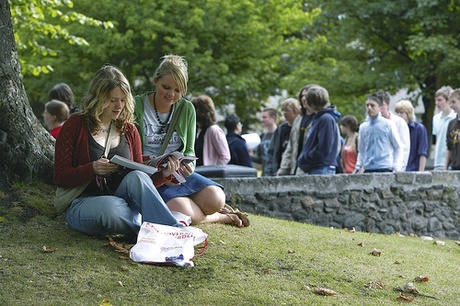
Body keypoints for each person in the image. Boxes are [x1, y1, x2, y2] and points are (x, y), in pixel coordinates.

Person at [53, 65, 183, 240]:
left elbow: (141, 178)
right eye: (113, 100)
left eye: (123, 100)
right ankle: (150, 233)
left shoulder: (129, 130)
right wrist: (92, 169)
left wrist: (164, 174)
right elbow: (60, 176)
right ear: (98, 98)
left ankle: (172, 232)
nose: (119, 106)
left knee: (137, 177)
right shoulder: (75, 125)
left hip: (122, 202)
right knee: (112, 208)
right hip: (83, 203)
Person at [134, 55, 249, 227]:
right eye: (166, 87)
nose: (171, 94)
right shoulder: (136, 105)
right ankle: (221, 217)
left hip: (178, 174)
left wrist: (188, 167)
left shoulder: (187, 109)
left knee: (216, 198)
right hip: (150, 176)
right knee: (184, 212)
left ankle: (216, 209)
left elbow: (189, 150)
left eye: (178, 90)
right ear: (155, 81)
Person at [355, 92, 404, 173]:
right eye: (367, 105)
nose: (369, 108)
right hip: (368, 169)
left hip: (385, 168)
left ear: (380, 108)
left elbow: (398, 147)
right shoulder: (363, 127)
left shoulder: (388, 124)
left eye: (372, 105)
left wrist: (397, 166)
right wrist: (358, 166)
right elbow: (361, 150)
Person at [297, 85, 341, 175]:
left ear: (311, 103)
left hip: (321, 168)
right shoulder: (319, 118)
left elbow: (324, 148)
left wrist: (306, 157)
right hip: (317, 167)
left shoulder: (326, 119)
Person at [277, 84, 317, 176]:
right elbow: (290, 147)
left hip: (312, 171)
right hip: (295, 170)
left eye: (307, 96)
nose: (304, 98)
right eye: (302, 96)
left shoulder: (321, 119)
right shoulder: (299, 119)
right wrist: (283, 169)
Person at [265, 98, 301, 176]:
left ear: (296, 111)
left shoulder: (301, 128)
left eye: (287, 110)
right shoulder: (280, 130)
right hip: (279, 169)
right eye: (283, 110)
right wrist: (269, 170)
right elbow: (272, 151)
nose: (284, 113)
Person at [191, 95, 230, 166]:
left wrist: (212, 171)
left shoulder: (214, 130)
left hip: (208, 174)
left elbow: (225, 157)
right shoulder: (195, 129)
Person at [377, 90, 410, 170]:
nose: (380, 109)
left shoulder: (399, 123)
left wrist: (399, 169)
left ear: (388, 105)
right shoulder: (372, 125)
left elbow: (404, 147)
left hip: (394, 168)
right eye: (377, 105)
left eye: (382, 105)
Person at [394, 100, 428, 171]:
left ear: (408, 113)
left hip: (413, 169)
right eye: (397, 112)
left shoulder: (419, 128)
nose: (398, 115)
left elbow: (422, 152)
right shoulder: (395, 128)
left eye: (401, 112)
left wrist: (421, 173)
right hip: (398, 169)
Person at [433, 86, 455, 170]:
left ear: (448, 101)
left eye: (439, 100)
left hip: (452, 162)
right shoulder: (435, 118)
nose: (436, 103)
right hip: (438, 162)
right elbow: (438, 138)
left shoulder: (455, 117)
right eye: (435, 100)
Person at [251, 108, 277, 176]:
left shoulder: (279, 134)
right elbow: (261, 159)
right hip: (265, 174)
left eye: (265, 117)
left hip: (276, 174)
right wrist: (250, 156)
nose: (262, 120)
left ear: (273, 117)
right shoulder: (262, 137)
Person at [445, 89, 460, 170]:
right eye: (450, 103)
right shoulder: (451, 124)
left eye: (453, 102)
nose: (451, 106)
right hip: (455, 168)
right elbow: (449, 148)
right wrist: (445, 169)